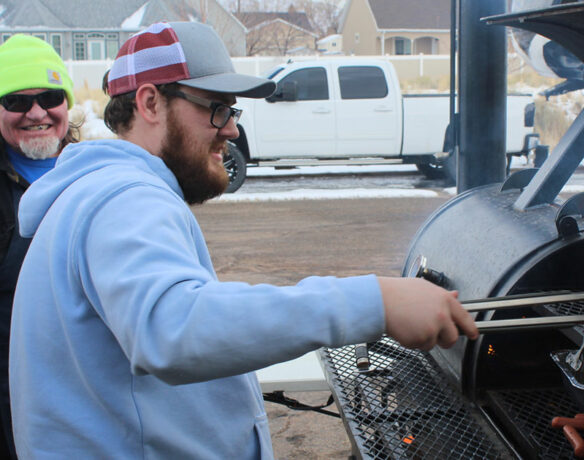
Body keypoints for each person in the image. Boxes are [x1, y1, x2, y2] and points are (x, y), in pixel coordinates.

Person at [9, 22, 477, 458]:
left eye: (231, 111)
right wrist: (374, 302)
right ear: (150, 104)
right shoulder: (126, 198)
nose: (231, 129)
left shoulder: (97, 193)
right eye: (215, 108)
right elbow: (173, 329)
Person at [0, 34, 76, 458]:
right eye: (16, 101)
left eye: (49, 97)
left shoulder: (94, 175)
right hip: (10, 393)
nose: (36, 112)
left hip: (85, 384)